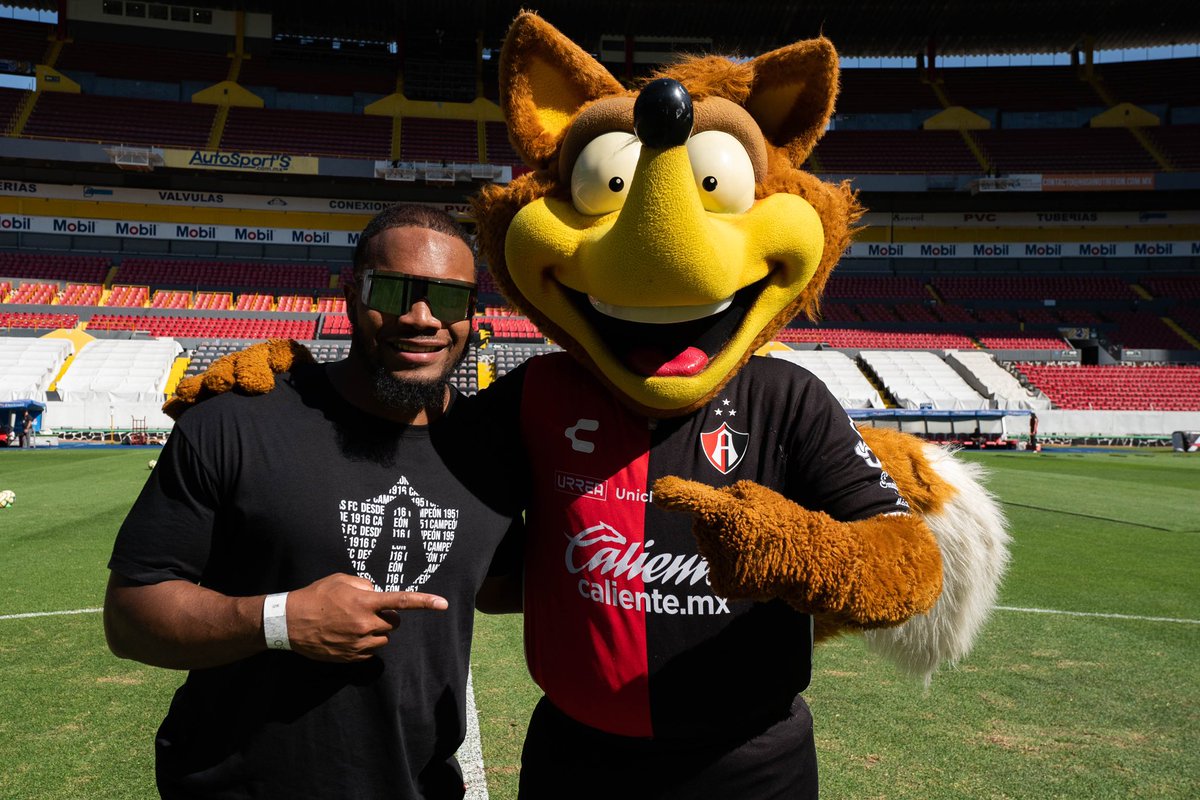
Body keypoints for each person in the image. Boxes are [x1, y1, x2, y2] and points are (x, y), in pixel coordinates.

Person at [104, 205, 524, 800]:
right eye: (395, 291)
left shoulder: (488, 449)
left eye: (449, 299)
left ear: (473, 316)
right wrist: (280, 621)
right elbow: (129, 617)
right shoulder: (236, 419)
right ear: (352, 296)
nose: (422, 318)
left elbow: (503, 585)